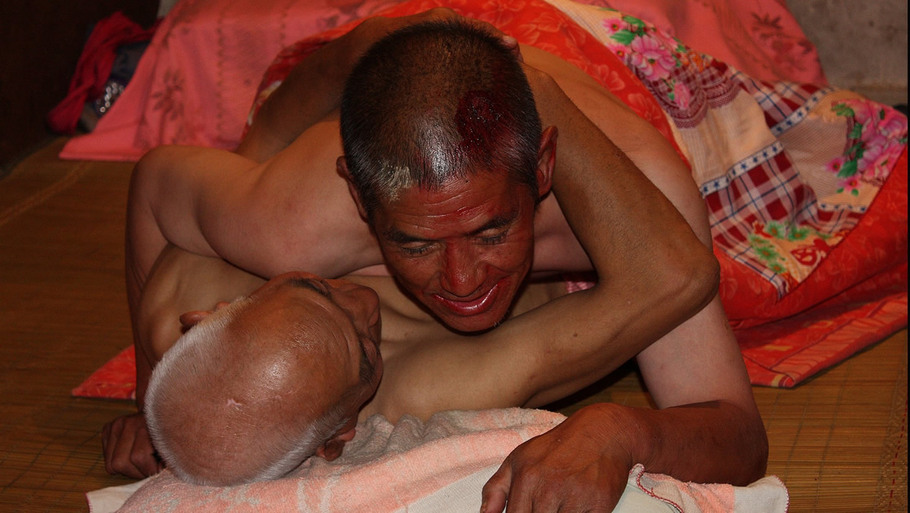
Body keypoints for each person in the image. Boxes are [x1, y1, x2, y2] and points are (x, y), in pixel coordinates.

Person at [105, 12, 767, 511]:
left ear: (543, 170)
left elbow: (691, 303)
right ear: (360, 200)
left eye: (492, 229)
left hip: (544, 44)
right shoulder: (422, 372)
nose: (462, 281)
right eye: (415, 244)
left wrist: (147, 390)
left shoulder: (646, 200)